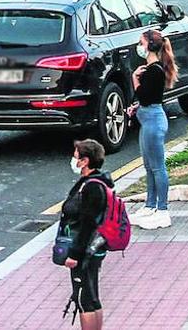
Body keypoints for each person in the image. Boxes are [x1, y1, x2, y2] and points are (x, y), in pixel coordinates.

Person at [60, 139, 113, 330]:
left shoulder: (91, 187)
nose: (73, 161)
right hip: (94, 248)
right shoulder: (98, 181)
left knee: (84, 300)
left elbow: (88, 224)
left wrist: (74, 254)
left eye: (76, 157)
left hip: (85, 251)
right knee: (92, 296)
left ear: (85, 161)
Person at [127, 29, 175, 230]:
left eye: (141, 42)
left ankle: (162, 210)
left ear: (149, 46)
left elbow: (146, 96)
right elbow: (149, 98)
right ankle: (150, 205)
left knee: (157, 167)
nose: (139, 46)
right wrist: (137, 106)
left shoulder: (154, 70)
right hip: (148, 118)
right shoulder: (151, 68)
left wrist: (134, 78)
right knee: (148, 166)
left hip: (153, 121)